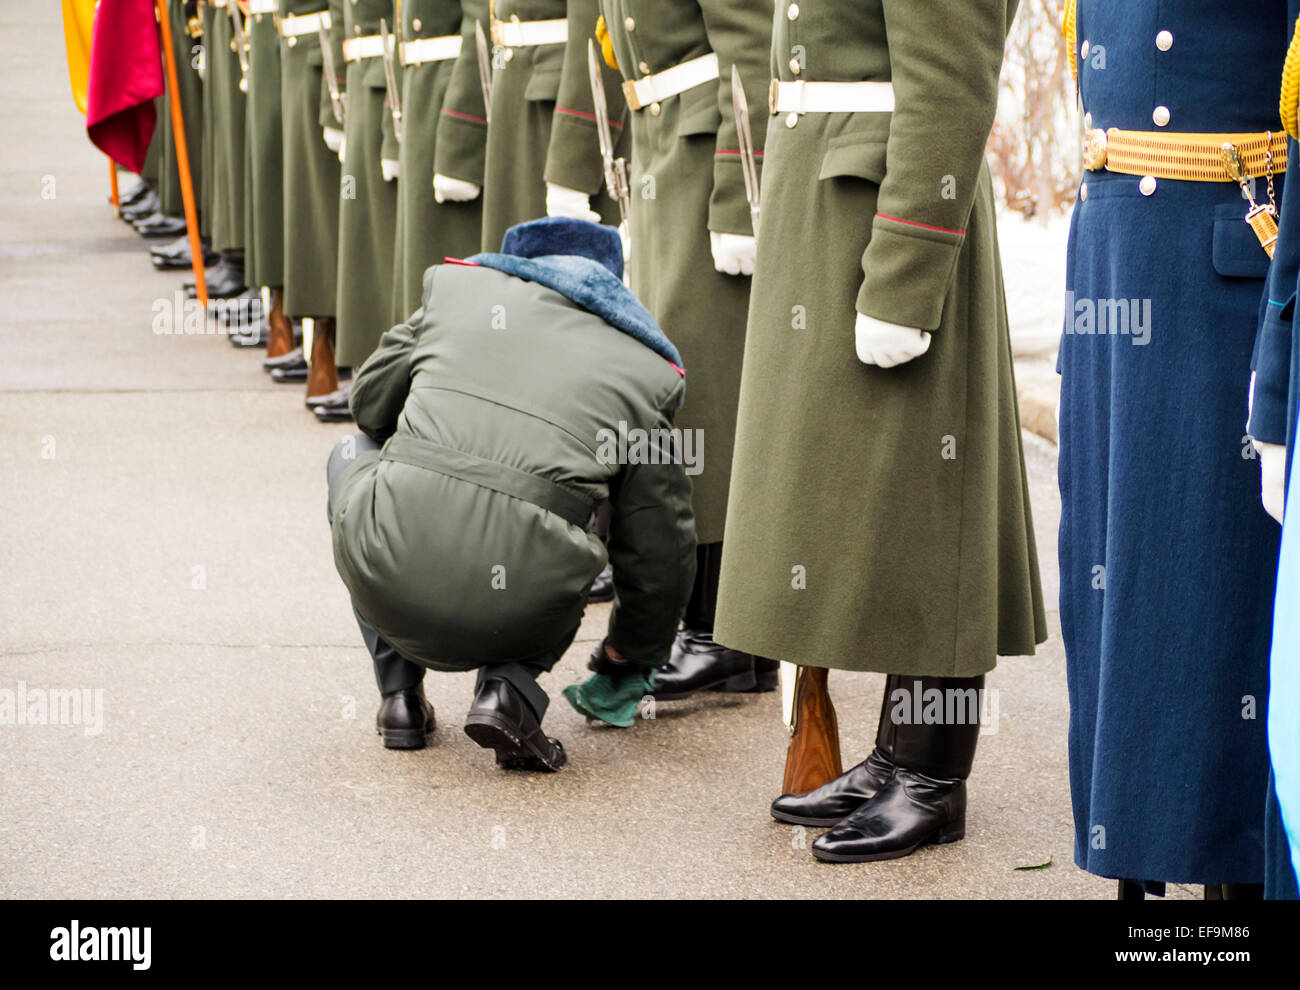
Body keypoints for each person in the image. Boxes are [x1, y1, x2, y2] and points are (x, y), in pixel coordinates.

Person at [716, 0, 1045, 863]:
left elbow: (951, 79)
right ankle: (898, 754)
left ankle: (935, 774)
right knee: (889, 488)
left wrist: (906, 271)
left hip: (888, 214)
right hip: (829, 200)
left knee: (929, 496)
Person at [1058, 0, 1289, 899]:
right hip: (1113, 253)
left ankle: (1230, 889)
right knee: (1109, 587)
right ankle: (1133, 870)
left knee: (1212, 609)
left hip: (1221, 270)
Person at [326, 217, 695, 771]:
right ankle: (508, 691)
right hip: (526, 598)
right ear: (614, 284)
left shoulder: (456, 291)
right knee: (576, 512)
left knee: (352, 453)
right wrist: (630, 656)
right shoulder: (649, 371)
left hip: (389, 570)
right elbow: (659, 543)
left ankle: (398, 695)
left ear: (513, 263)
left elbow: (370, 408)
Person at [599, 0, 777, 700]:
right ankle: (722, 632)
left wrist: (740, 196)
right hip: (664, 146)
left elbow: (753, 46)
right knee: (681, 385)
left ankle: (721, 635)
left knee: (702, 393)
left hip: (708, 158)